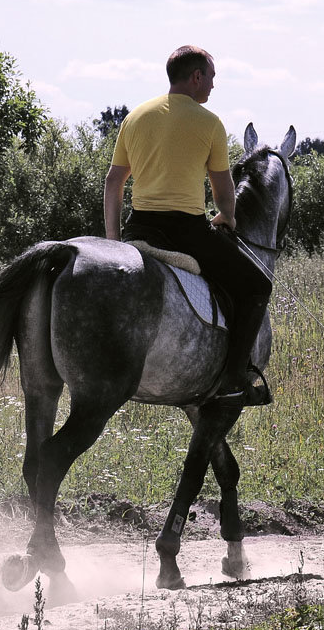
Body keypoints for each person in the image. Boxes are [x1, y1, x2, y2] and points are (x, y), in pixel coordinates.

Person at [103, 45, 272, 406]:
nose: (213, 86)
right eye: (211, 77)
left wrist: (113, 241)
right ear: (196, 76)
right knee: (256, 285)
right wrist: (227, 217)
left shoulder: (135, 117)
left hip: (139, 229)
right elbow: (224, 188)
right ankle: (233, 379)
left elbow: (113, 182)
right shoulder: (209, 122)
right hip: (187, 232)